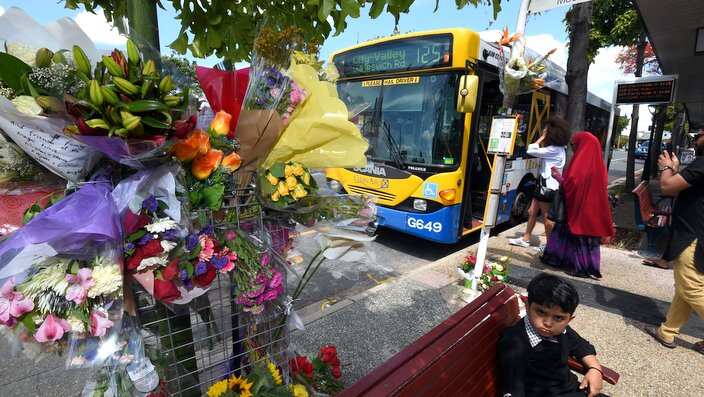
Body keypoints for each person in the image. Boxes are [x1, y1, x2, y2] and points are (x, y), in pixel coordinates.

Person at [497, 273, 604, 397]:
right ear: (527, 306)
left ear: (569, 320)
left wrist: (595, 369)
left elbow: (581, 346)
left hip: (573, 390)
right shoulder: (515, 343)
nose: (548, 323)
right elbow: (513, 388)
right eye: (541, 312)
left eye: (558, 317)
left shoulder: (562, 330)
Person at [646, 131, 704, 356]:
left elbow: (668, 187)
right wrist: (675, 169)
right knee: (686, 287)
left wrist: (665, 168)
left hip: (694, 236)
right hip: (697, 233)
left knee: (691, 286)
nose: (699, 133)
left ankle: (668, 330)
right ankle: (667, 331)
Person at [541, 132, 614, 279]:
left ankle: (578, 267)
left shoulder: (579, 163)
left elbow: (571, 184)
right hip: (592, 210)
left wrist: (558, 176)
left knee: (574, 234)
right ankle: (589, 266)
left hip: (578, 209)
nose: (573, 148)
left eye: (574, 145)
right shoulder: (599, 165)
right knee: (588, 238)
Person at [509, 116, 570, 252]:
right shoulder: (556, 148)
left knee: (547, 217)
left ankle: (550, 246)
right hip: (542, 184)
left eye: (546, 131)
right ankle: (526, 238)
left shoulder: (555, 149)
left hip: (547, 187)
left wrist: (541, 138)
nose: (543, 132)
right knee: (532, 211)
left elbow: (531, 150)